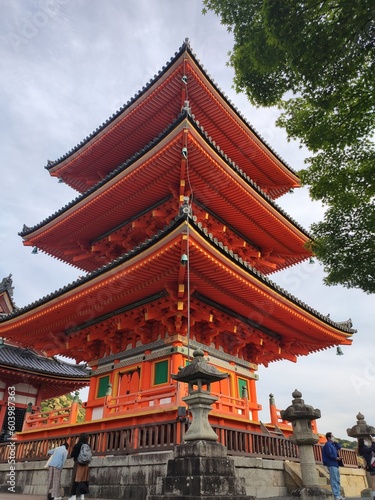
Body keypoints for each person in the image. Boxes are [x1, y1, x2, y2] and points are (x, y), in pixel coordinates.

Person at [68, 432, 91, 500]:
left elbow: (73, 454)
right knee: (84, 480)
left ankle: (73, 496)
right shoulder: (88, 445)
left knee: (76, 479)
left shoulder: (78, 445)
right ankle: (82, 496)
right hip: (86, 464)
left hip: (78, 464)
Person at [322, 432, 344, 500]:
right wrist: (335, 458)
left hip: (335, 464)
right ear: (328, 438)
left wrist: (335, 442)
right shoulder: (328, 444)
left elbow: (339, 447)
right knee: (334, 480)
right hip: (331, 463)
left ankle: (338, 494)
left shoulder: (332, 444)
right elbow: (329, 453)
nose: (333, 437)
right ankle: (336, 495)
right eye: (332, 436)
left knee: (337, 480)